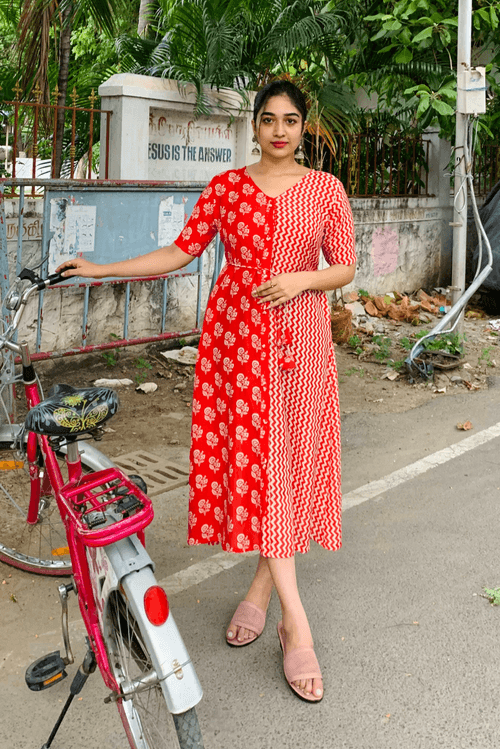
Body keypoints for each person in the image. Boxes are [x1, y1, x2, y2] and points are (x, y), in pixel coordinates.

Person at [57, 79, 356, 703]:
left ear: (306, 128)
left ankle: (276, 606)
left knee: (285, 469)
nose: (280, 130)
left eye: (291, 120)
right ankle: (287, 616)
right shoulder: (224, 189)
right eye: (269, 119)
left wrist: (303, 278)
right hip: (237, 347)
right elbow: (178, 252)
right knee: (258, 471)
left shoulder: (326, 190)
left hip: (299, 346)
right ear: (253, 126)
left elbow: (345, 266)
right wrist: (101, 267)